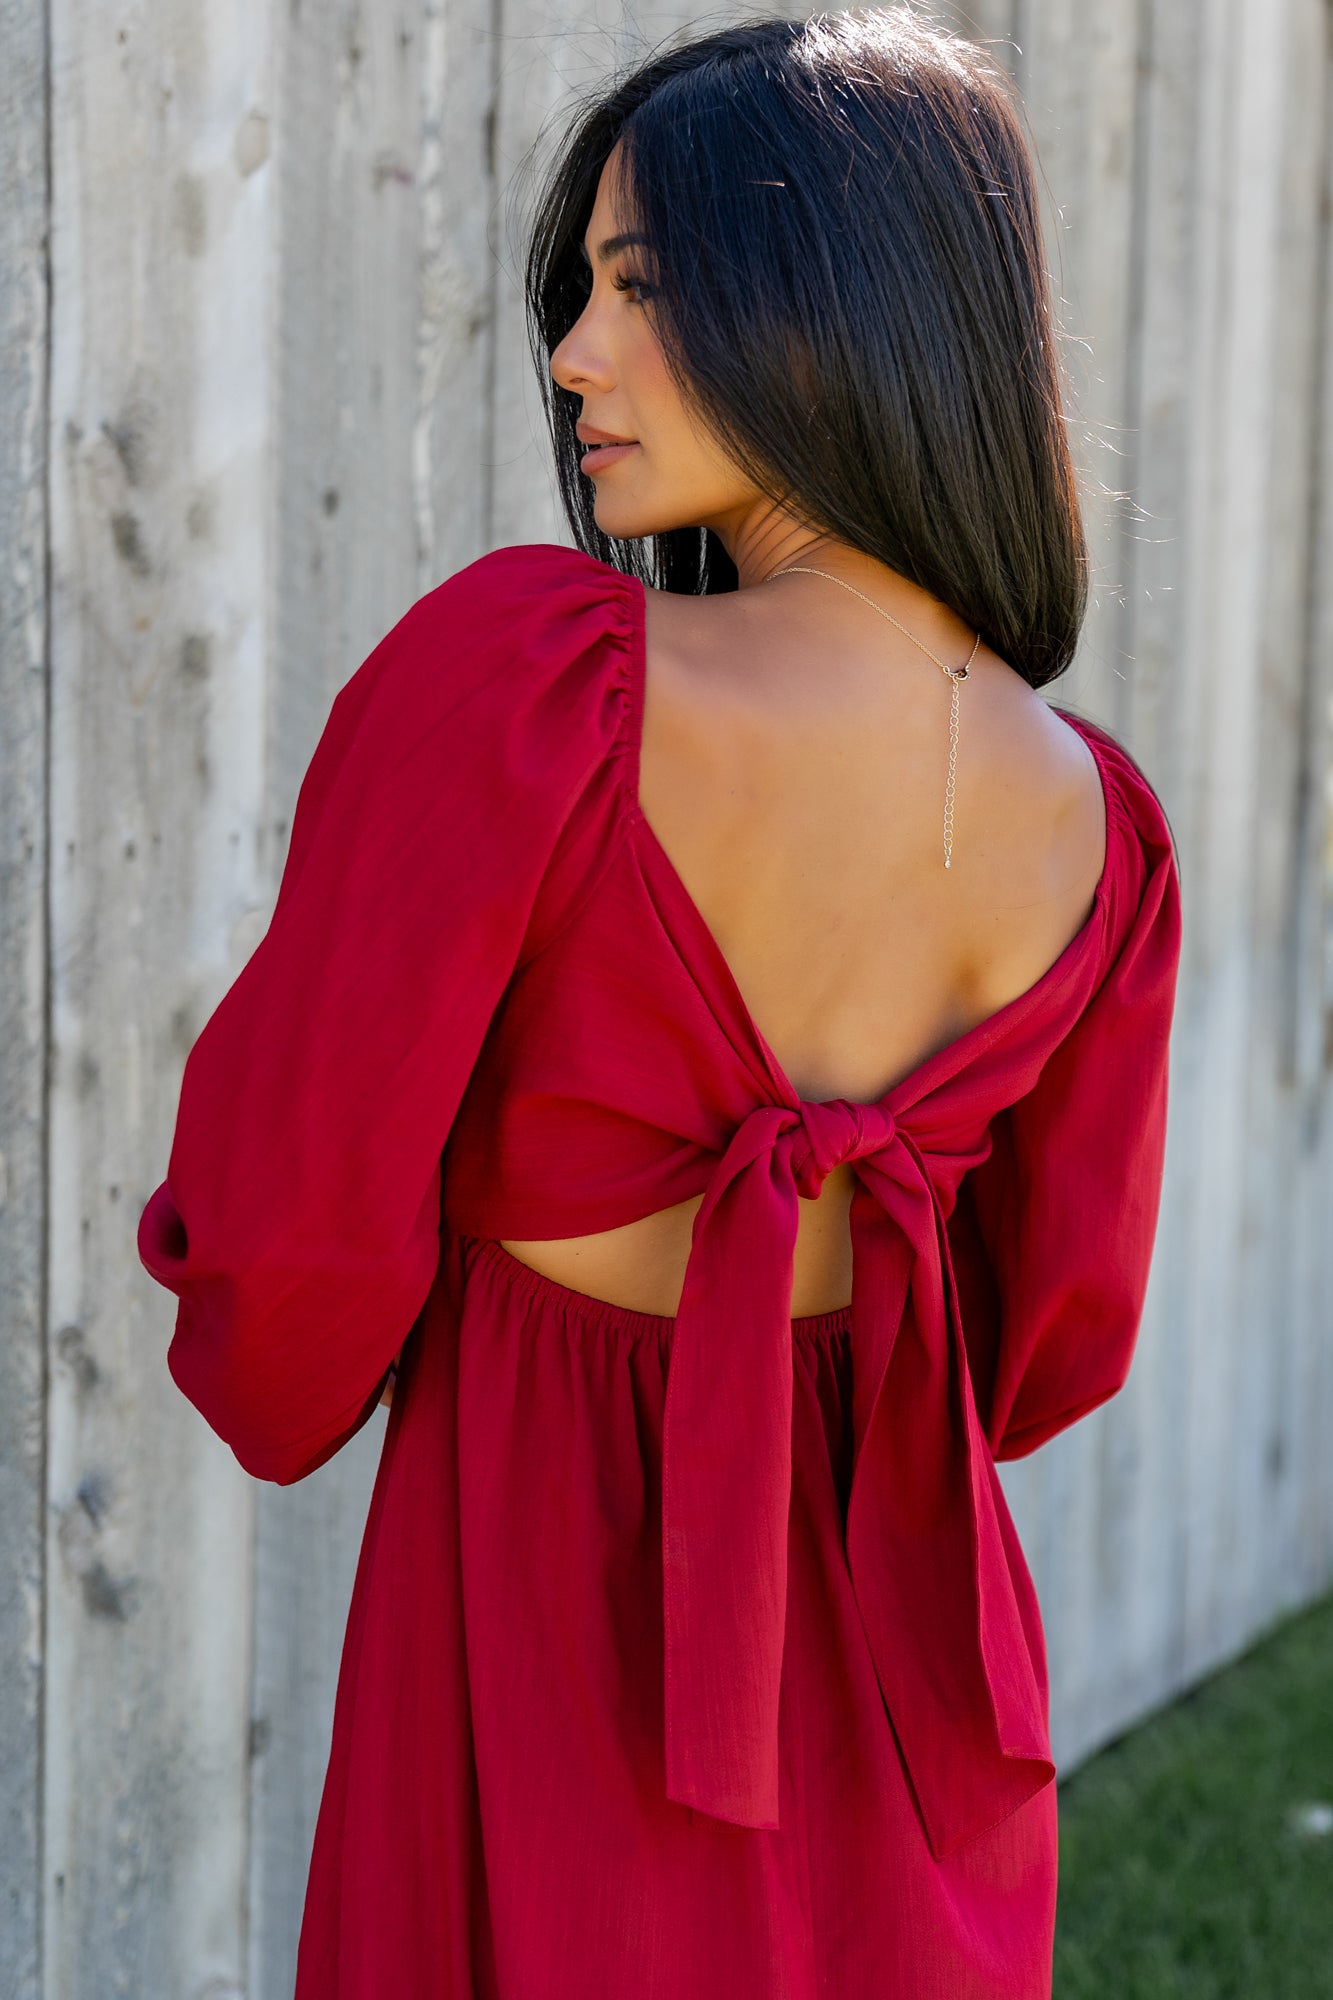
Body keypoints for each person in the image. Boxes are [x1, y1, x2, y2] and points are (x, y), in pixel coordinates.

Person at [137, 10, 1182, 1996]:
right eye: (583, 293)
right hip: (892, 1631)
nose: (572, 355)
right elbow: (1050, 1337)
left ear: (835, 301)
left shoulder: (531, 686)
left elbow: (285, 1244)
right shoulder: (1094, 823)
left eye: (640, 286)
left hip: (542, 1582)